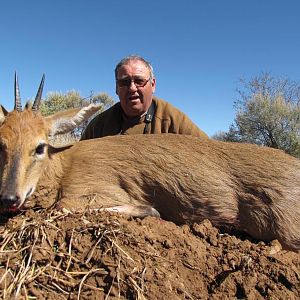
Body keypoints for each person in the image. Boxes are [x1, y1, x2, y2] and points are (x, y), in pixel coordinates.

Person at [81, 55, 208, 140]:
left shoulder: (173, 121)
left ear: (152, 85)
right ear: (116, 88)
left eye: (139, 81)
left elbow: (210, 152)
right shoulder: (98, 127)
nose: (132, 88)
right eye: (124, 82)